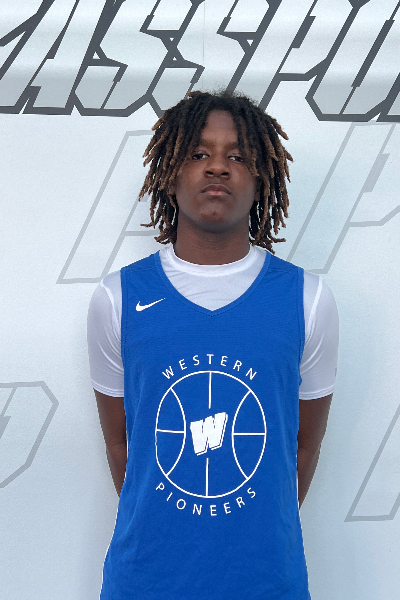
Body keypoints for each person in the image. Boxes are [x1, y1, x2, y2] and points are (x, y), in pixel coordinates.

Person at [87, 90, 339, 600]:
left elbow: (303, 447)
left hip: (267, 581)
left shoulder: (308, 300)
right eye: (199, 153)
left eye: (238, 156)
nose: (217, 167)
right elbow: (121, 445)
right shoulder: (117, 298)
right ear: (169, 173)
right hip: (146, 580)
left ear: (262, 178)